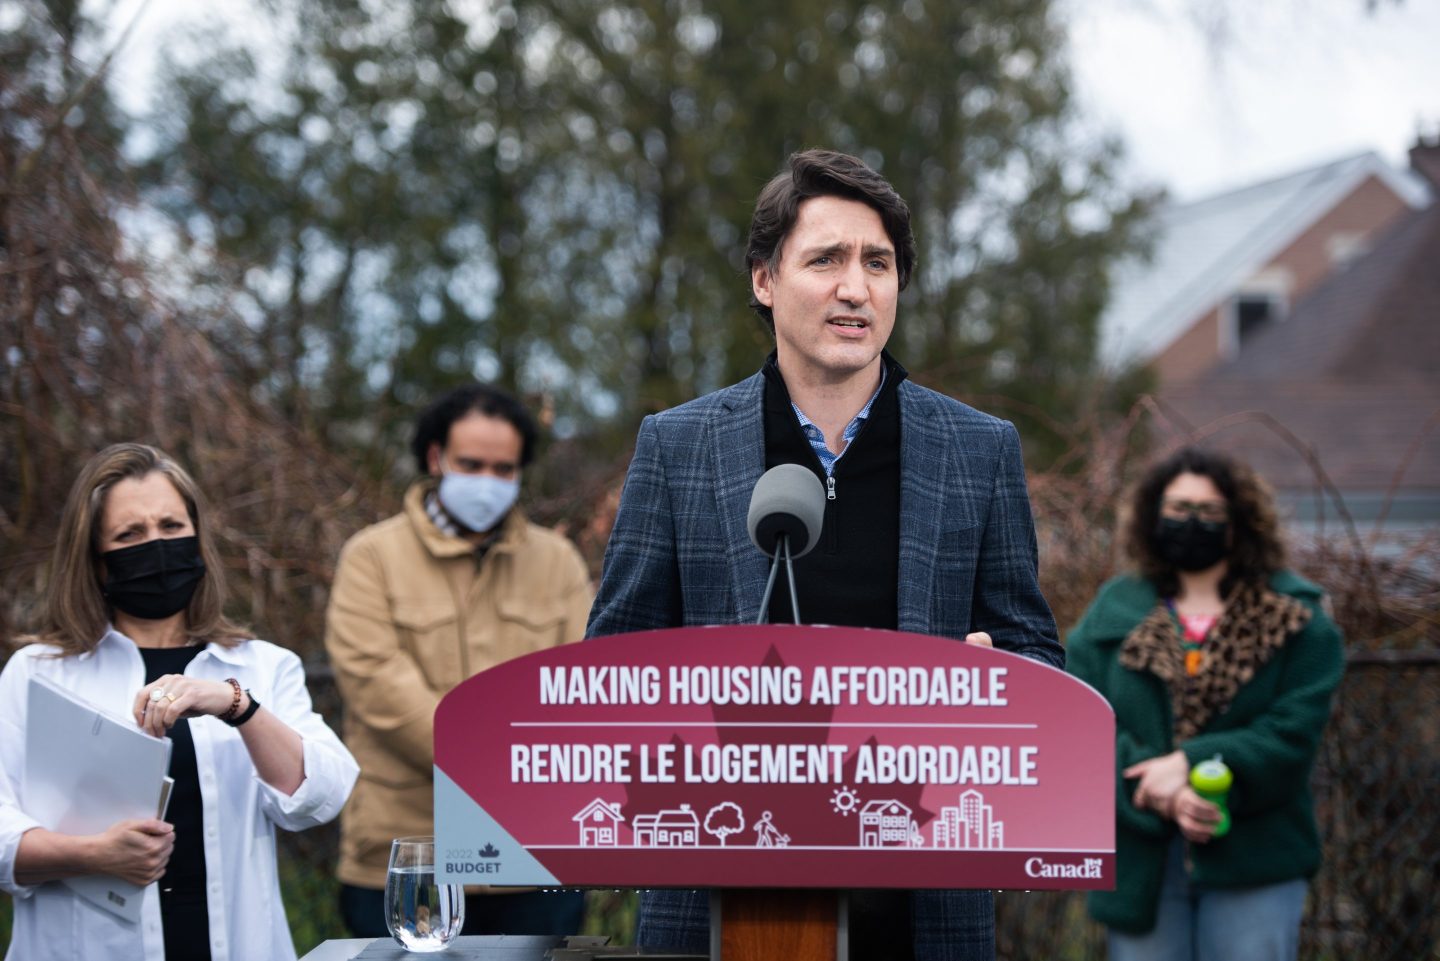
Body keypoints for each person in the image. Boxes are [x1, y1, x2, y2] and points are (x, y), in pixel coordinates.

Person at [585, 149, 1063, 961]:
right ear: (764, 280)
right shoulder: (679, 445)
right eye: (826, 259)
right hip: (718, 895)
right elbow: (612, 668)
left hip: (923, 901)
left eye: (878, 263)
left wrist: (1001, 675)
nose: (856, 287)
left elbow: (1036, 657)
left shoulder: (978, 450)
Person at [0, 443, 358, 961]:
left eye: (171, 527)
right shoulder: (38, 673)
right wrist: (90, 855)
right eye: (130, 534)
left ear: (196, 537)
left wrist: (239, 706)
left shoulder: (261, 666)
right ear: (96, 560)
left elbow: (321, 795)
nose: (157, 545)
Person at [324, 383, 593, 938]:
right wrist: (504, 762)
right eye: (472, 464)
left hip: (533, 861)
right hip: (406, 860)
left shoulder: (558, 563)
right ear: (435, 458)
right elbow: (379, 687)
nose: (487, 482)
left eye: (504, 468)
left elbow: (582, 683)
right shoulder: (372, 558)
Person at [1065, 447, 1345, 961]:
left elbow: (1291, 734)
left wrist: (1189, 763)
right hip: (1140, 857)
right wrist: (1162, 792)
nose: (1192, 523)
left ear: (1241, 522)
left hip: (1256, 858)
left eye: (1210, 512)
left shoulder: (1299, 618)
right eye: (1177, 509)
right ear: (1152, 518)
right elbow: (1077, 723)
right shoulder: (1113, 611)